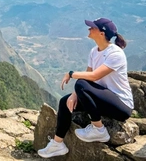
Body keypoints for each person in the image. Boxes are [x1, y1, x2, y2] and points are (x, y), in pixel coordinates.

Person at [37, 18, 134, 159]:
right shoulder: (94, 51)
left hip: (121, 105)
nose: (89, 29)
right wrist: (75, 95)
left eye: (92, 28)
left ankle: (98, 129)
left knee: (80, 83)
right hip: (102, 99)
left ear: (102, 33)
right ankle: (58, 144)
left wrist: (71, 74)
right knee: (65, 102)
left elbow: (93, 76)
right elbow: (88, 76)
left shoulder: (115, 54)